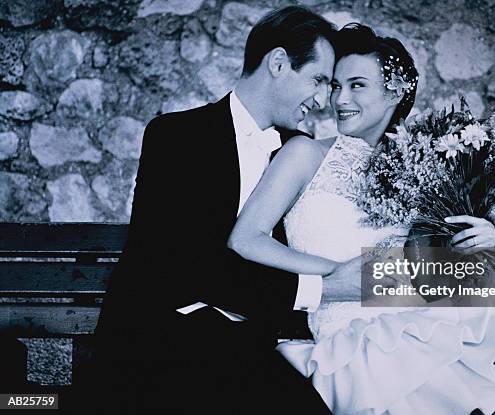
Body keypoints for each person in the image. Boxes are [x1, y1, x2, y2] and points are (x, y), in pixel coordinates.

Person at [228, 24, 495, 415]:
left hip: (429, 313)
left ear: (395, 91)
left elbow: (483, 186)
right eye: (336, 86)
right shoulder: (305, 153)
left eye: (357, 85)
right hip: (360, 337)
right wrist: (336, 274)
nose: (340, 99)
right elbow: (246, 239)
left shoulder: (424, 158)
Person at [91, 6, 339, 414]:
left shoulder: (300, 153)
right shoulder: (175, 138)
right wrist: (319, 288)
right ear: (278, 63)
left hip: (253, 349)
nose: (323, 100)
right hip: (159, 347)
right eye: (317, 80)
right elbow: (188, 266)